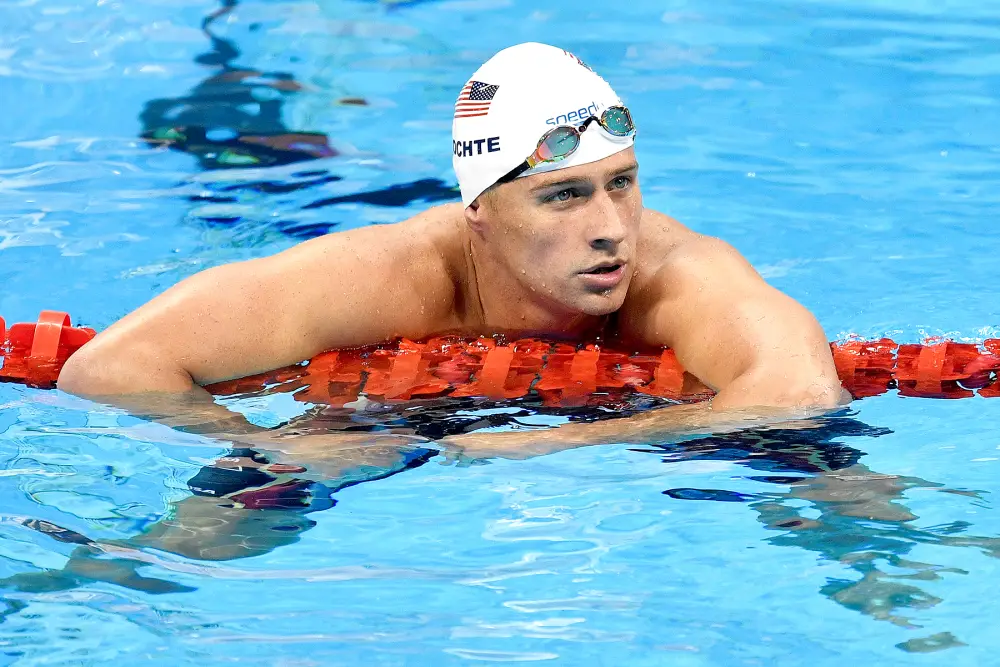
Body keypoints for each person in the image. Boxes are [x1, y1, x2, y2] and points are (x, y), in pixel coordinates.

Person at [58, 42, 847, 456]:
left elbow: (799, 393)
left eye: (623, 183)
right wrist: (261, 444)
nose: (613, 226)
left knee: (823, 473)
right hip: (385, 413)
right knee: (265, 488)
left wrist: (566, 442)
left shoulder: (677, 272)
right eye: (564, 195)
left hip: (577, 424)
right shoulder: (384, 274)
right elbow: (107, 368)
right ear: (480, 209)